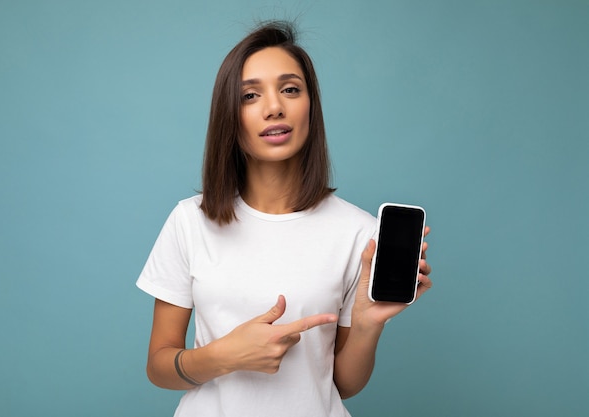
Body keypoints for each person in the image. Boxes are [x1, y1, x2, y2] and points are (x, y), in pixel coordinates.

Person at [136, 20, 432, 417]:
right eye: (250, 95)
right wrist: (226, 355)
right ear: (230, 115)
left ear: (311, 105)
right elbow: (159, 366)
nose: (274, 106)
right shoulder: (191, 221)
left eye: (290, 89)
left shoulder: (360, 233)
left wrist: (366, 324)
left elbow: (343, 384)